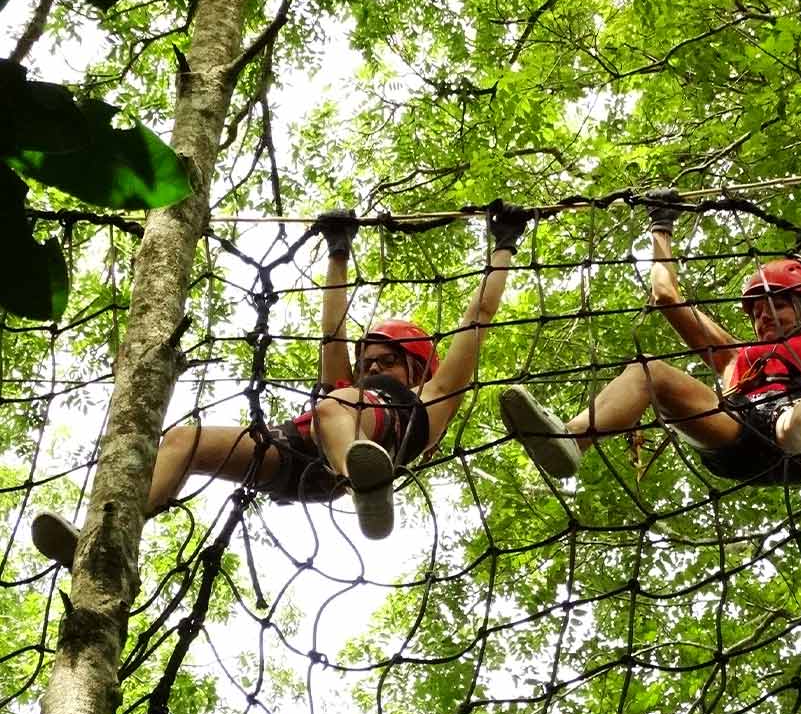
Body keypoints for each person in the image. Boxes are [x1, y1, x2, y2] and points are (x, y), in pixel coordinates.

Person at [31, 201, 528, 567]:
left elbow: (478, 316)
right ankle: (107, 544)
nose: (372, 367)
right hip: (295, 459)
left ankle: (365, 483)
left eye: (386, 361)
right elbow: (332, 330)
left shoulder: (431, 398)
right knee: (187, 440)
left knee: (336, 406)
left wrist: (503, 244)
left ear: (417, 368)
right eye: (368, 360)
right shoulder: (345, 389)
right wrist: (339, 251)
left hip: (359, 452)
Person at [496, 165, 801, 484]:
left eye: (774, 306)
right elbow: (667, 296)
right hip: (733, 432)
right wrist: (661, 226)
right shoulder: (735, 358)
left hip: (797, 433)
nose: (762, 318)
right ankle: (570, 439)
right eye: (755, 312)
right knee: (648, 371)